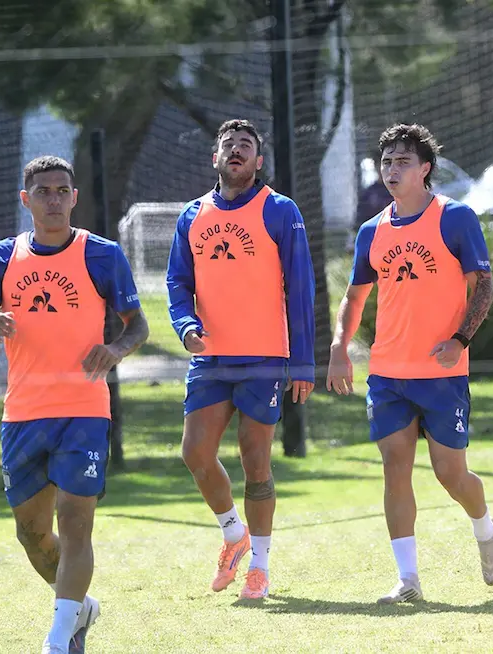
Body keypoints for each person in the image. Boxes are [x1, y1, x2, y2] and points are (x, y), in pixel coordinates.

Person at [0, 156, 149, 654]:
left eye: (61, 190)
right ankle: (80, 607)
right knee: (31, 534)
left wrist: (115, 349)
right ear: (25, 199)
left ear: (74, 197)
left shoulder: (102, 254)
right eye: (43, 191)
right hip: (23, 413)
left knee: (75, 522)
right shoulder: (2, 256)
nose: (53, 199)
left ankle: (58, 638)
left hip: (84, 409)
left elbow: (137, 324)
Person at [326, 123, 493, 603]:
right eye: (386, 162)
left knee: (451, 474)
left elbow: (484, 286)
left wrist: (460, 340)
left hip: (442, 373)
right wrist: (340, 347)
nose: (392, 170)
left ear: (425, 169)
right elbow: (354, 296)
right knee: (395, 468)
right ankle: (408, 580)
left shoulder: (455, 217)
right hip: (387, 373)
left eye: (403, 161)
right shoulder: (372, 230)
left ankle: (486, 529)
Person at [166, 119, 316, 600]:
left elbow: (301, 288)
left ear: (258, 160)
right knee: (195, 452)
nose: (235, 150)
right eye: (228, 145)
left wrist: (303, 362)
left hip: (264, 358)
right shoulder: (192, 215)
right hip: (211, 358)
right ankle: (234, 534)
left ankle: (261, 566)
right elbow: (177, 283)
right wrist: (186, 325)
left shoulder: (280, 210)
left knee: (256, 460)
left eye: (245, 146)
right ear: (214, 158)